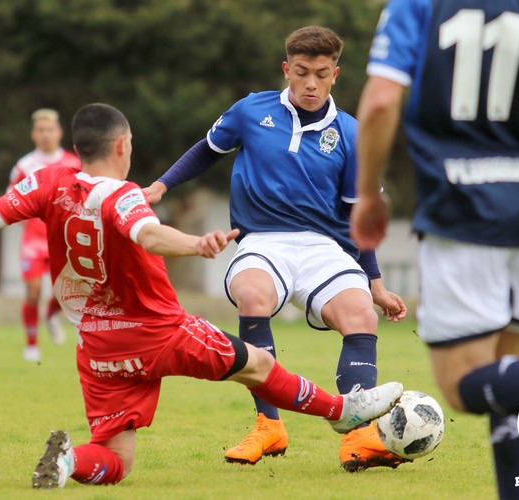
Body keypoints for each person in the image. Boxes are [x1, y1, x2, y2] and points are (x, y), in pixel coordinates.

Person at [0, 103, 404, 489]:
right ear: (122, 145)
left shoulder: (46, 183)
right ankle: (342, 410)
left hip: (98, 347)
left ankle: (70, 460)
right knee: (259, 364)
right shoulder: (123, 195)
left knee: (117, 460)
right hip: (160, 333)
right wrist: (196, 244)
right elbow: (149, 235)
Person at [351, 1, 519, 498]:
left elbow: (379, 102)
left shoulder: (418, 5)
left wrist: (367, 191)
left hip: (463, 208)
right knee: (509, 378)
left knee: (463, 385)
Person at [143, 26, 408, 471]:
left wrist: (376, 284)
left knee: (361, 314)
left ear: (335, 75)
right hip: (262, 240)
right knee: (253, 295)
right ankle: (269, 425)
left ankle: (359, 436)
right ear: (286, 69)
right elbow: (208, 149)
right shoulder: (252, 110)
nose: (310, 84)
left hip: (325, 246)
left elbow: (357, 215)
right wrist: (161, 185)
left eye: (320, 74)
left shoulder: (351, 133)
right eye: (301, 72)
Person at [8, 108, 82, 362]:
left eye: (50, 129)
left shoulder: (74, 163)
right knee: (33, 292)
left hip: (64, 238)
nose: (45, 134)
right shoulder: (24, 166)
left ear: (59, 132)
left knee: (66, 293)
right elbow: (11, 199)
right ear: (33, 134)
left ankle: (50, 315)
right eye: (40, 130)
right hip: (34, 238)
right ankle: (31, 346)